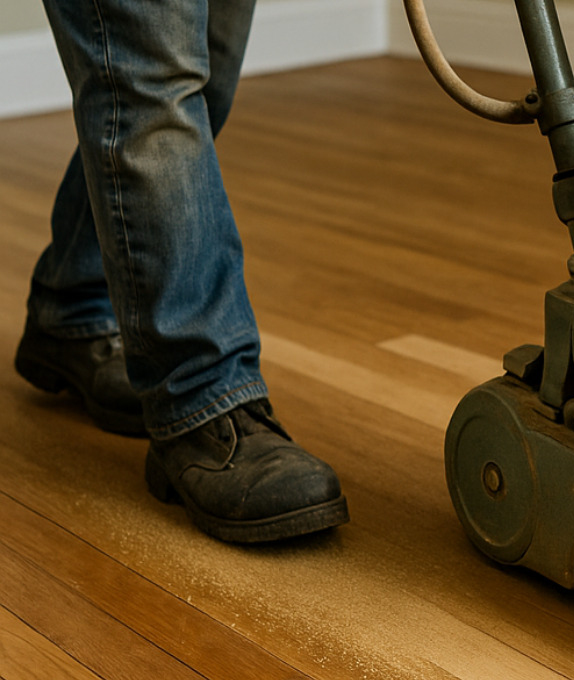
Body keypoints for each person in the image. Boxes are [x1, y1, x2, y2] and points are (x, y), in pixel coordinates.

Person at [16, 0, 349, 543]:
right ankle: (203, 397)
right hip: (205, 391)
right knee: (147, 70)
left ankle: (74, 302)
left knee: (203, 68)